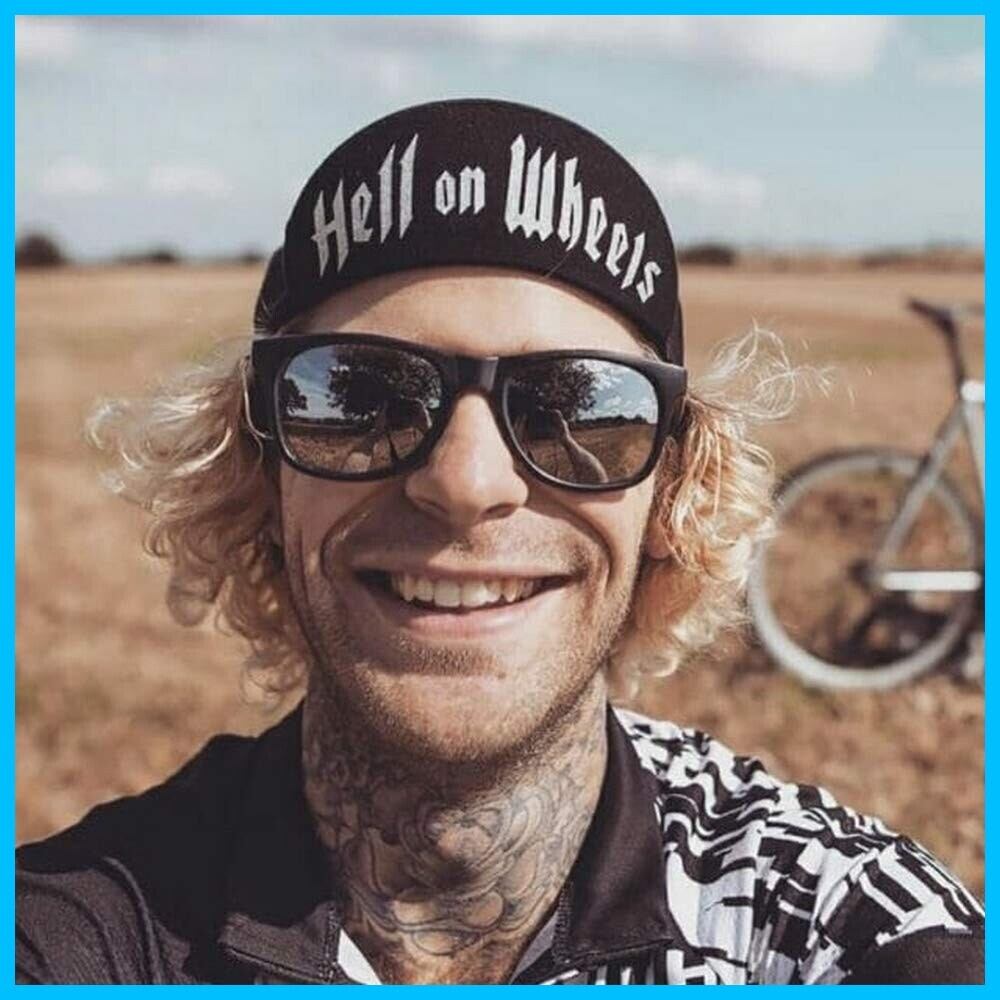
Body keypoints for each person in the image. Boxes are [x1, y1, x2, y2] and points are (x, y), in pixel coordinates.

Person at [16, 99, 983, 985]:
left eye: (578, 407)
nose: (467, 485)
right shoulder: (78, 931)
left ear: (671, 493)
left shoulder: (845, 935)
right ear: (260, 472)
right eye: (360, 397)